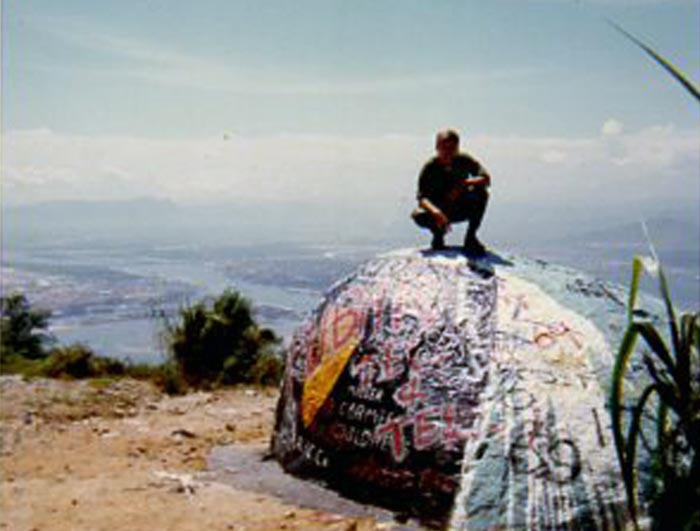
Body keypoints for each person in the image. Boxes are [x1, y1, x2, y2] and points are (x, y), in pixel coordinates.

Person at [411, 129, 491, 254]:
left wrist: (463, 184)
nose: (448, 152)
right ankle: (438, 235)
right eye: (444, 147)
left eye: (452, 148)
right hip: (439, 209)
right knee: (418, 215)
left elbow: (485, 179)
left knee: (481, 193)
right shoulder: (430, 167)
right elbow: (422, 199)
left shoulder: (464, 160)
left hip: (460, 206)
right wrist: (436, 212)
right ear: (437, 147)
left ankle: (471, 238)